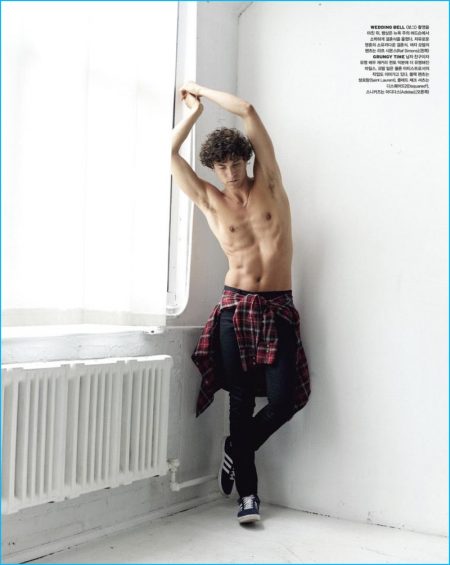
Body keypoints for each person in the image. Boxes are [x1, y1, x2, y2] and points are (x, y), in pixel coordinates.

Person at [171, 81, 311, 524]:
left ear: (246, 160)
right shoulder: (210, 200)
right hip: (234, 309)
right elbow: (170, 156)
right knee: (239, 400)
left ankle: (236, 445)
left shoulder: (270, 183)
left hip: (277, 305)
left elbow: (248, 110)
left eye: (235, 162)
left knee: (285, 399)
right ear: (212, 169)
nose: (230, 172)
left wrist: (199, 91)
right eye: (221, 165)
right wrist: (191, 116)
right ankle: (248, 497)